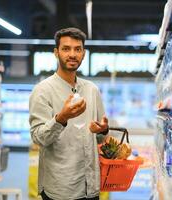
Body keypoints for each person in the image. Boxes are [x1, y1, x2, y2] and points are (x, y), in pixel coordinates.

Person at [29, 27, 109, 200]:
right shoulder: (42, 91)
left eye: (77, 49)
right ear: (56, 52)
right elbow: (38, 137)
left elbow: (101, 139)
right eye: (66, 49)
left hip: (90, 186)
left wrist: (102, 131)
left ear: (83, 53)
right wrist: (61, 118)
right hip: (60, 189)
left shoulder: (92, 90)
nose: (72, 54)